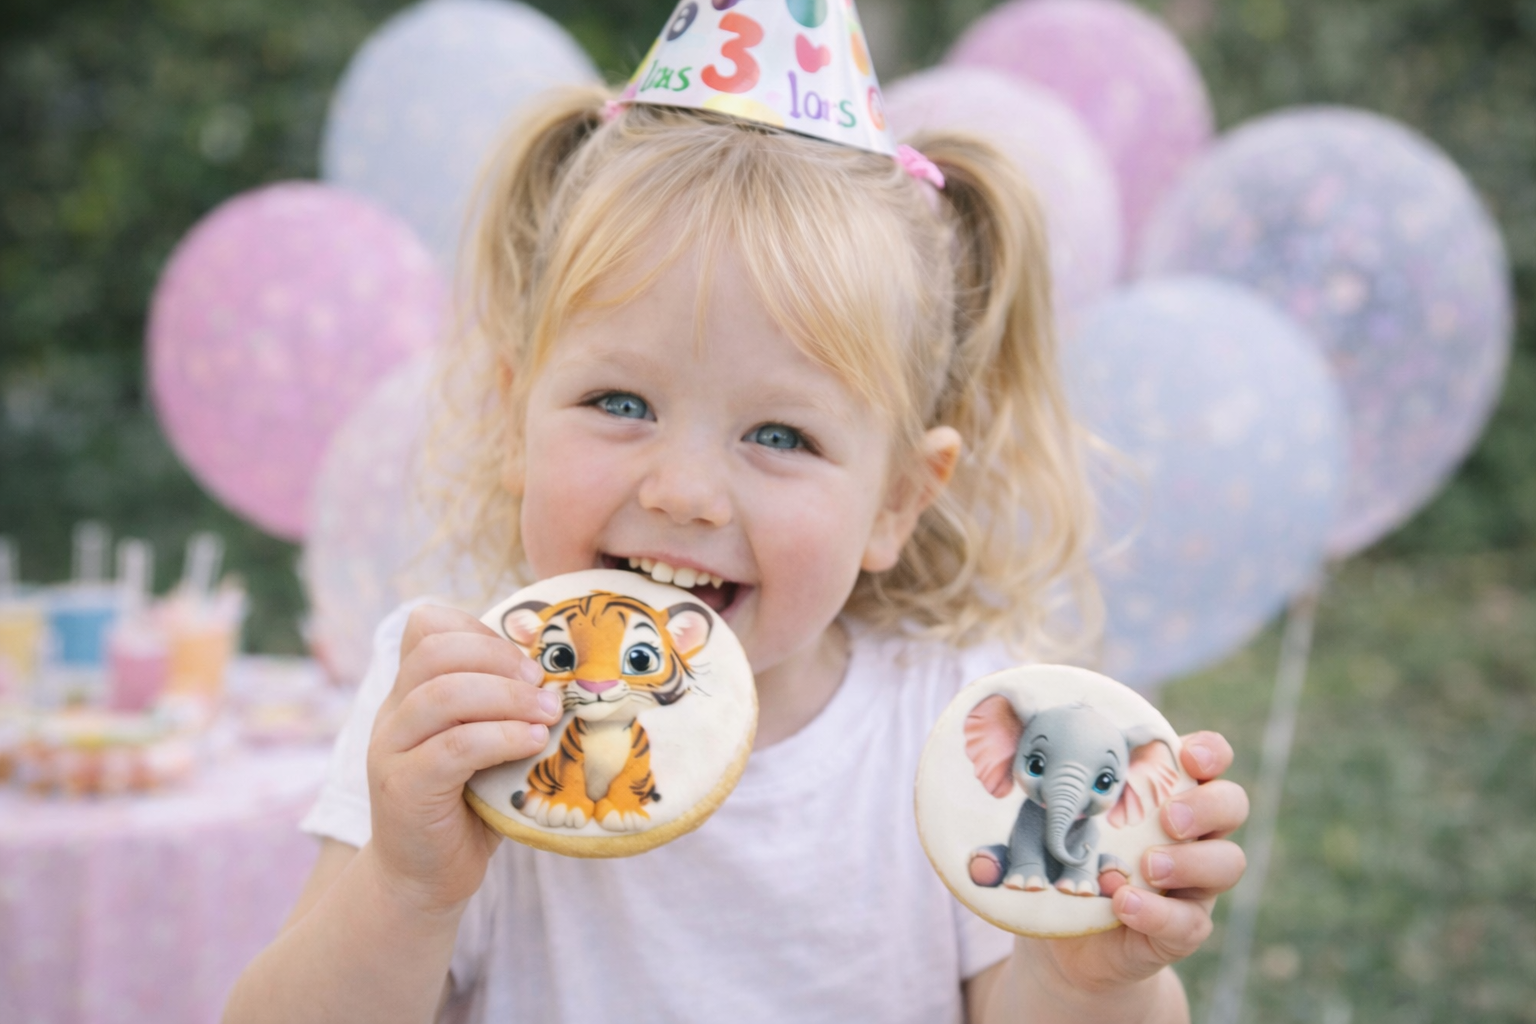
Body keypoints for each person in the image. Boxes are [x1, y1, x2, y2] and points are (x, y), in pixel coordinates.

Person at [225, 75, 1248, 1024]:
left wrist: (1090, 973)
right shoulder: (459, 703)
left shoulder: (956, 725)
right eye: (619, 403)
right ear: (513, 425)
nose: (683, 490)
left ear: (897, 499)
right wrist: (405, 886)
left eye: (780, 436)